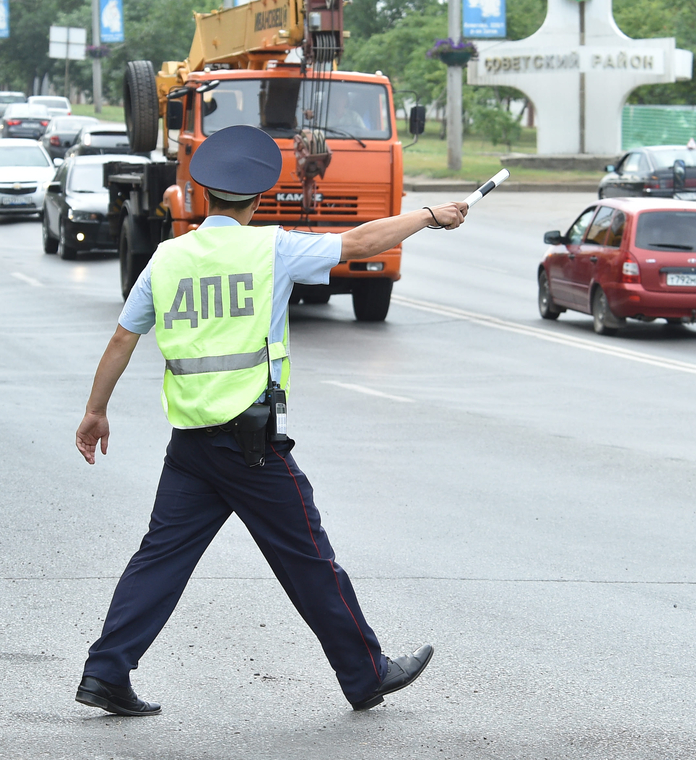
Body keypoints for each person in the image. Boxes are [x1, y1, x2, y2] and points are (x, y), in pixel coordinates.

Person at [73, 124, 469, 716]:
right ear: (256, 201)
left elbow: (121, 340)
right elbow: (360, 243)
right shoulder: (271, 249)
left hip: (190, 445)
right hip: (250, 444)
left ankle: (105, 673)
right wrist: (430, 216)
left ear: (204, 196)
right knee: (308, 558)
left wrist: (95, 411)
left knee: (159, 558)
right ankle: (366, 673)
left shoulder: (167, 257)